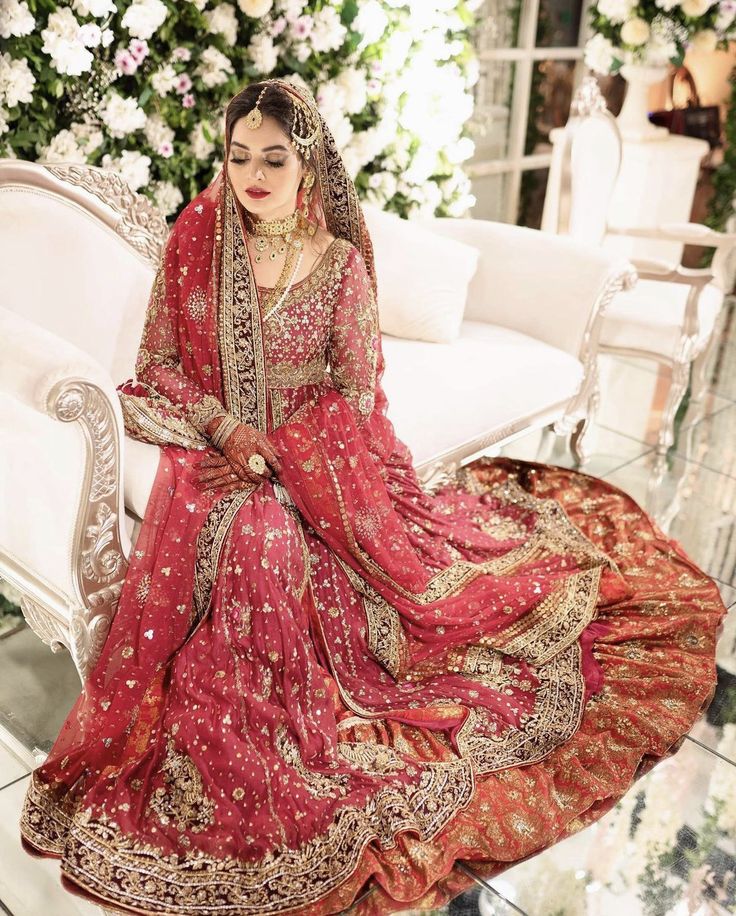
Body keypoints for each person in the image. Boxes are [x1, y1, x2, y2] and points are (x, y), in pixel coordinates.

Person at [19, 77, 726, 916]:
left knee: (286, 542)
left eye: (273, 158)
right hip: (207, 447)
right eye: (239, 155)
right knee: (249, 538)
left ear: (307, 163)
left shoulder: (340, 264)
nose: (252, 173)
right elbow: (160, 364)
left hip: (312, 456)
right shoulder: (198, 235)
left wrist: (278, 452)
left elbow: (353, 396)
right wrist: (226, 430)